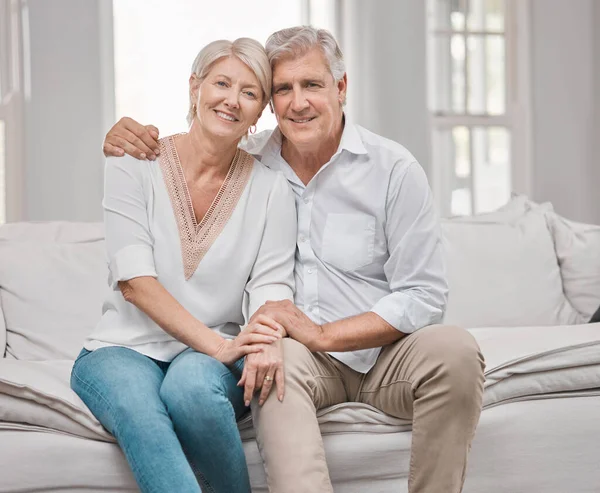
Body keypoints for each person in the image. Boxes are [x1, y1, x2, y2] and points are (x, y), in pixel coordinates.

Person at [103, 26, 486, 493]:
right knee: (270, 362)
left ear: (341, 88)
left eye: (312, 85)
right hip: (300, 355)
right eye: (283, 89)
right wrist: (129, 134)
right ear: (270, 104)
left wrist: (326, 334)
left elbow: (425, 295)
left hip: (384, 353)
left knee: (458, 351)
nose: (297, 102)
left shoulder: (393, 170)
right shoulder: (251, 157)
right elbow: (201, 141)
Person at [71, 37, 297, 493]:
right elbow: (134, 282)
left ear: (261, 113)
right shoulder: (132, 162)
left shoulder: (273, 190)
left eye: (250, 93)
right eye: (221, 83)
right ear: (195, 87)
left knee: (191, 391)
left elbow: (272, 286)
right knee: (139, 410)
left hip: (212, 355)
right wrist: (218, 346)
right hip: (122, 349)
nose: (232, 100)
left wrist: (263, 341)